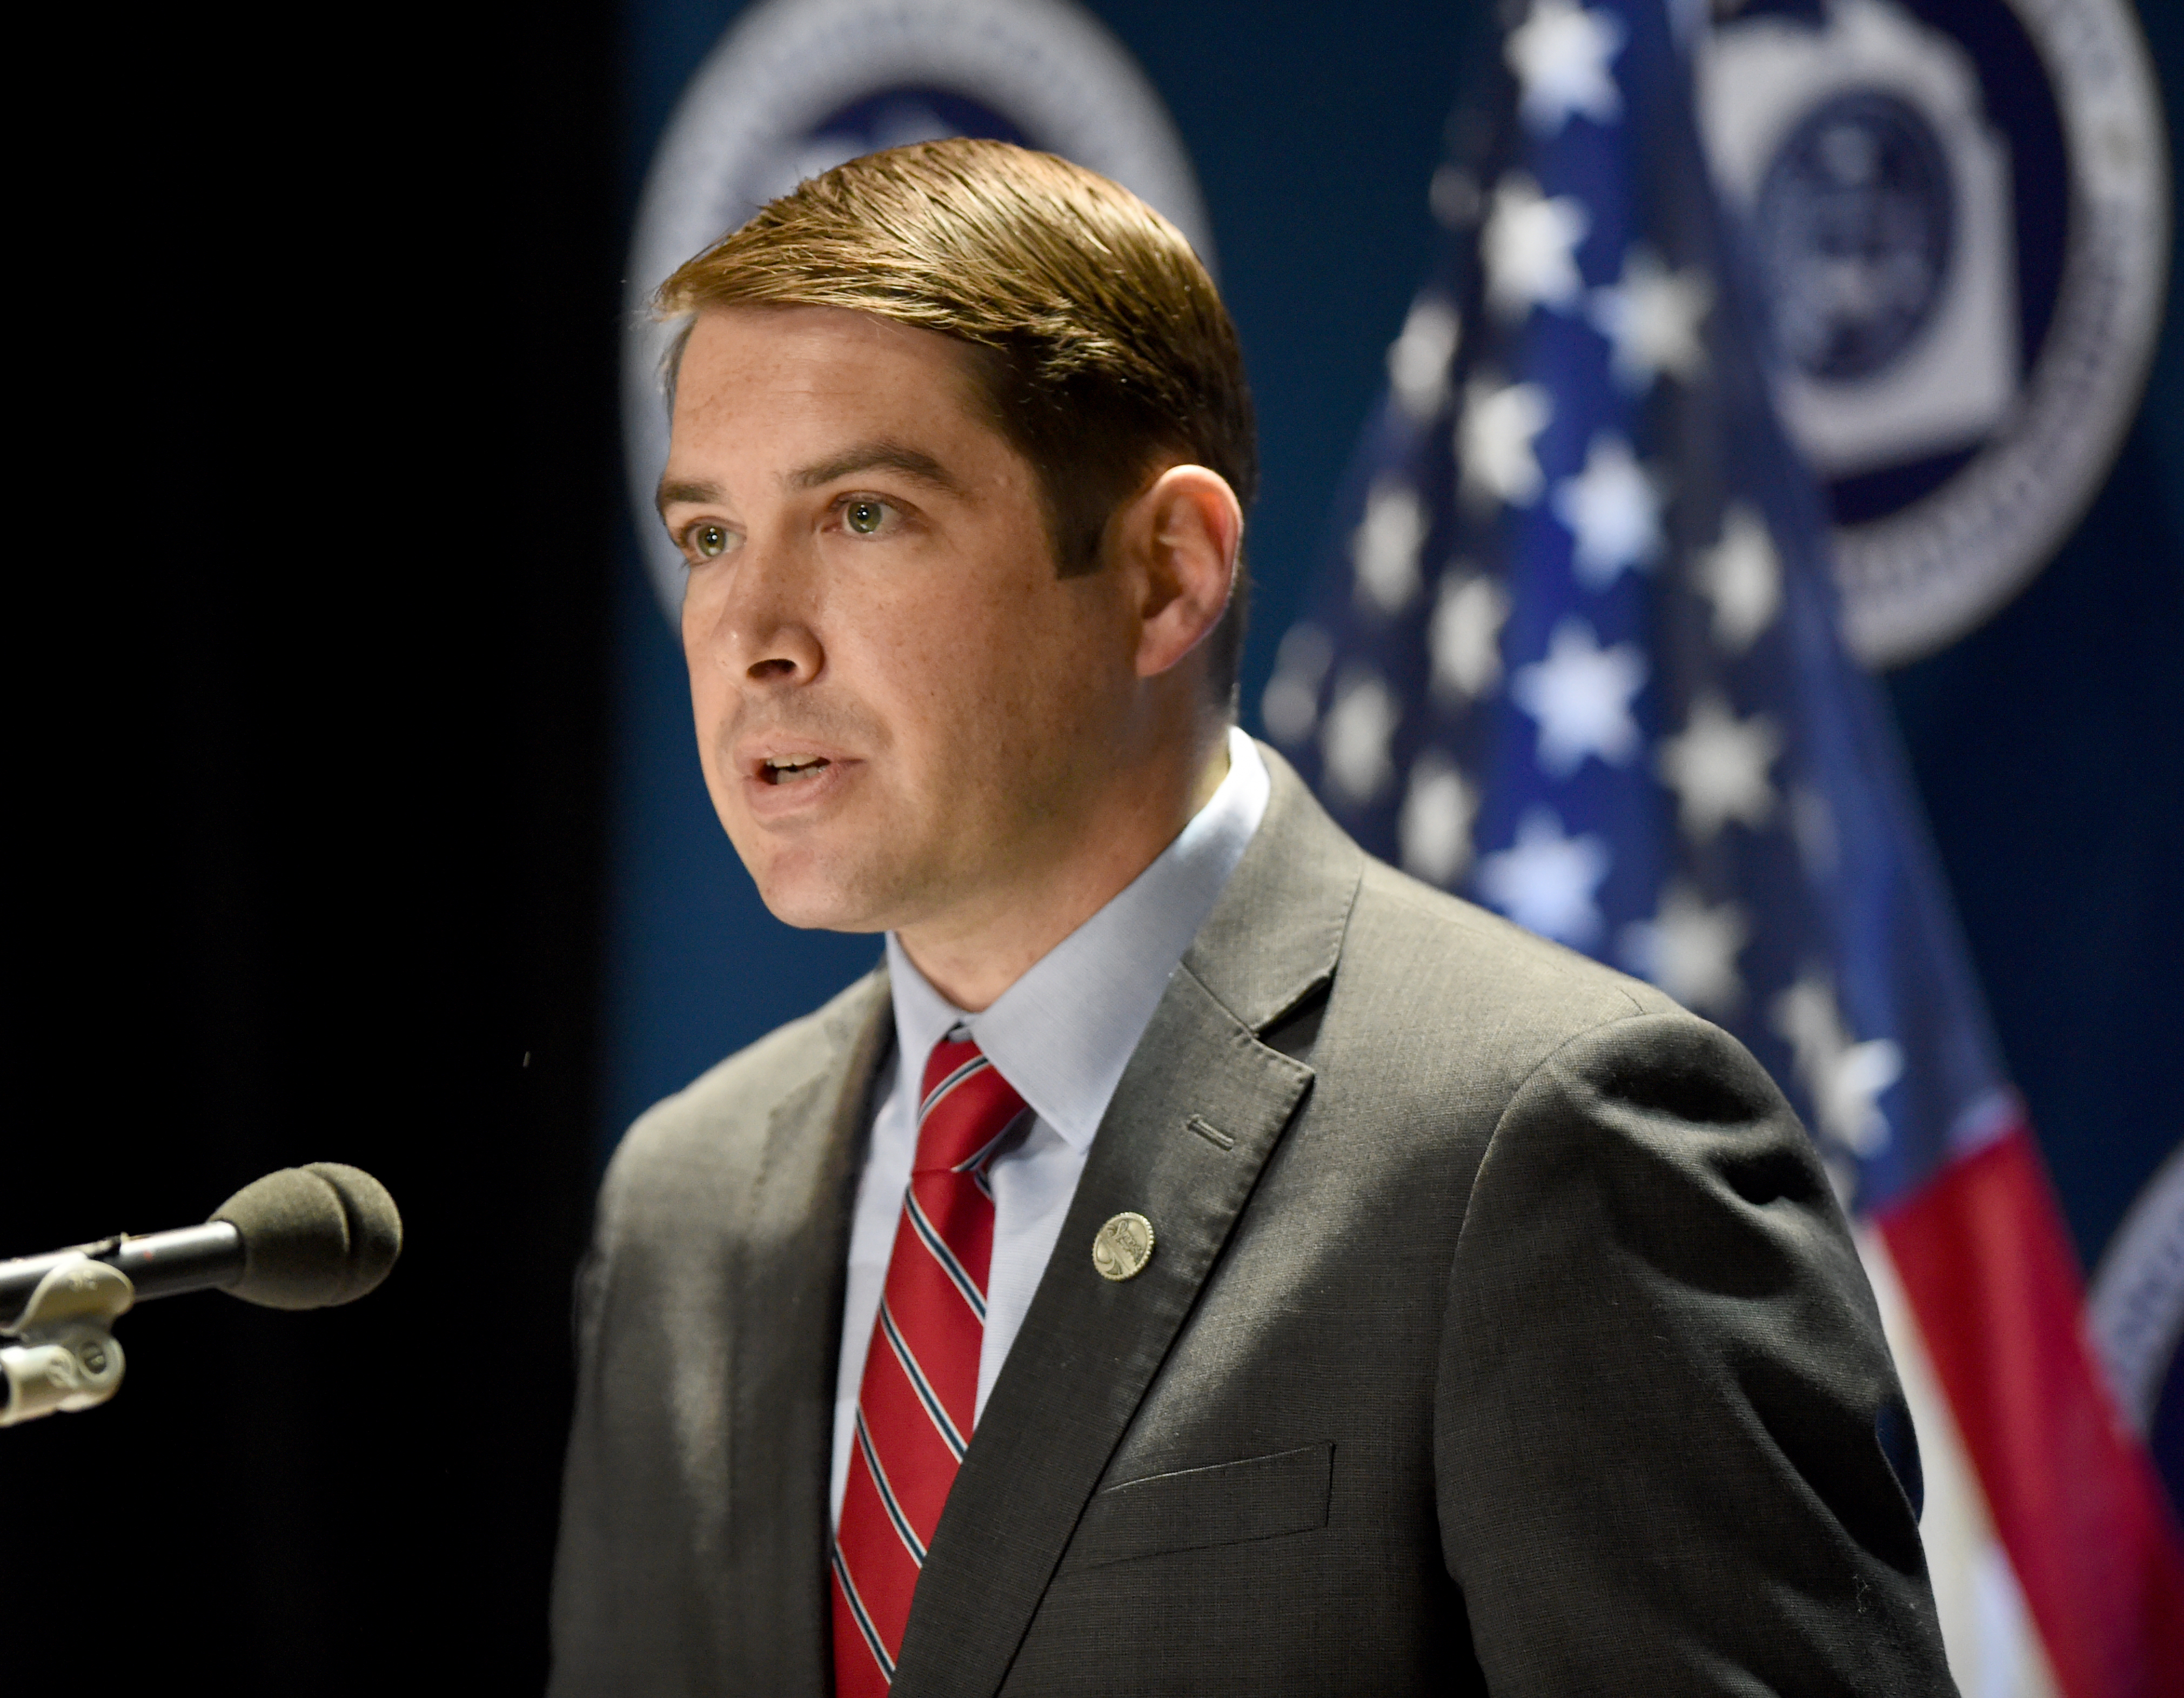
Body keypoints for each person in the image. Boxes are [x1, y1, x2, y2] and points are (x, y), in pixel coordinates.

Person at [550, 138, 1952, 1696]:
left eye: (864, 516)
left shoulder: (1549, 1145)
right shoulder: (686, 1204)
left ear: (1166, 573)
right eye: (709, 537)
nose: (749, 636)